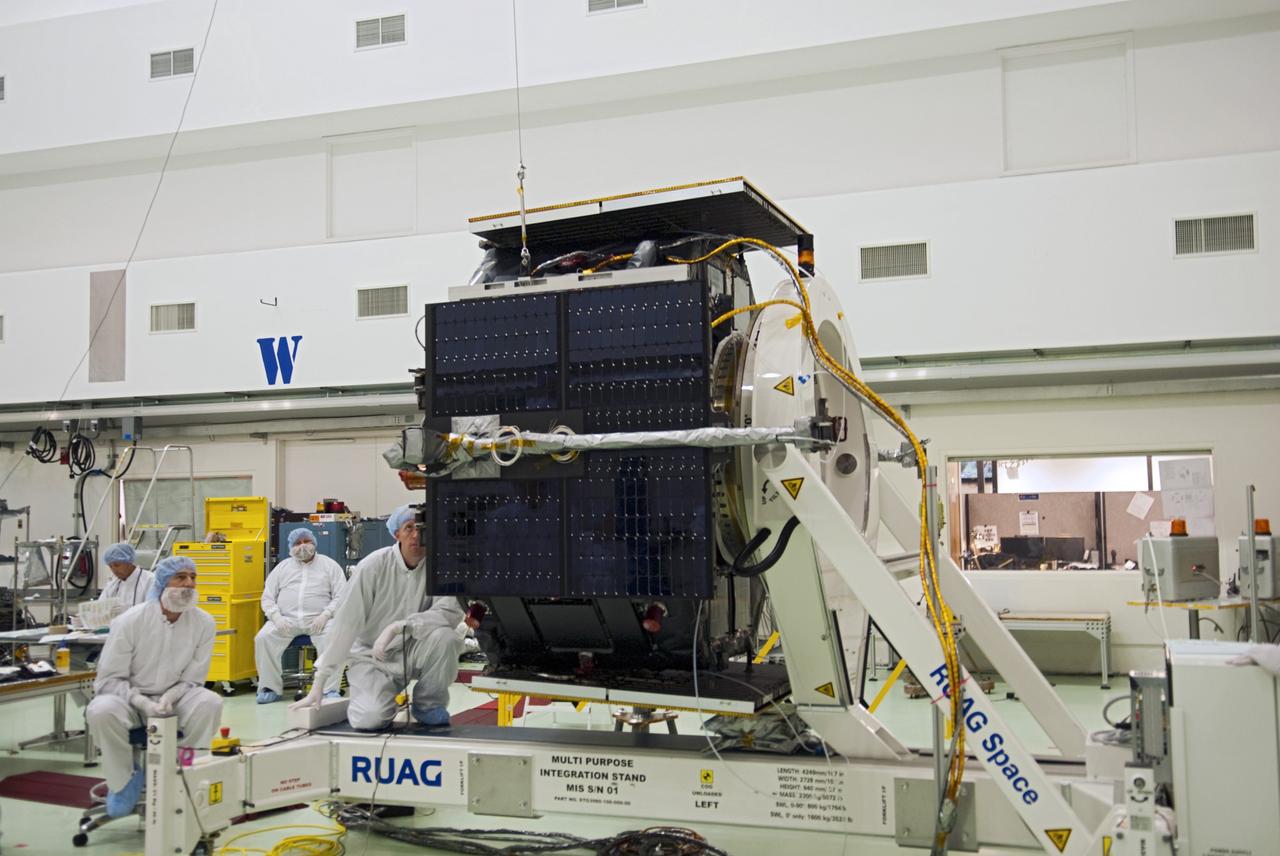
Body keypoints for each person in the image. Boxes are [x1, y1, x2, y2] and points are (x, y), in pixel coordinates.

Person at [291, 504, 471, 730]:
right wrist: (320, 680)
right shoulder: (373, 566)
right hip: (372, 657)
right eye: (409, 528)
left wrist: (401, 627)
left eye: (422, 528)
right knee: (369, 719)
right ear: (397, 534)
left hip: (415, 648)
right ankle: (379, 701)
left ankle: (428, 704)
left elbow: (449, 613)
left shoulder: (442, 567)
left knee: (447, 638)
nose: (416, 535)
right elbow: (346, 623)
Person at [84, 556, 222, 818]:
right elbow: (109, 679)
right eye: (180, 577)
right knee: (100, 711)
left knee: (209, 703)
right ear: (162, 583)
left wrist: (170, 696)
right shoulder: (131, 621)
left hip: (175, 700)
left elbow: (194, 678)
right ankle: (124, 780)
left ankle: (184, 771)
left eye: (193, 577)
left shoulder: (203, 622)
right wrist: (142, 702)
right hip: (128, 699)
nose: (189, 583)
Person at [254, 528, 347, 703]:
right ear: (291, 547)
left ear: (314, 542)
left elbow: (342, 596)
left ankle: (329, 690)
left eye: (306, 541)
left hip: (320, 621)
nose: (302, 546)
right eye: (297, 543)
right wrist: (276, 617)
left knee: (337, 637)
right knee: (263, 638)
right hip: (286, 621)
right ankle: (270, 688)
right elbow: (267, 597)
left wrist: (326, 615)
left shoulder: (329, 566)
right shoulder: (282, 568)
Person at [98, 542, 154, 608]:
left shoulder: (149, 580)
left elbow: (152, 608)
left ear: (128, 562)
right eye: (110, 566)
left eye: (117, 565)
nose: (114, 570)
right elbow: (100, 606)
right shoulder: (112, 585)